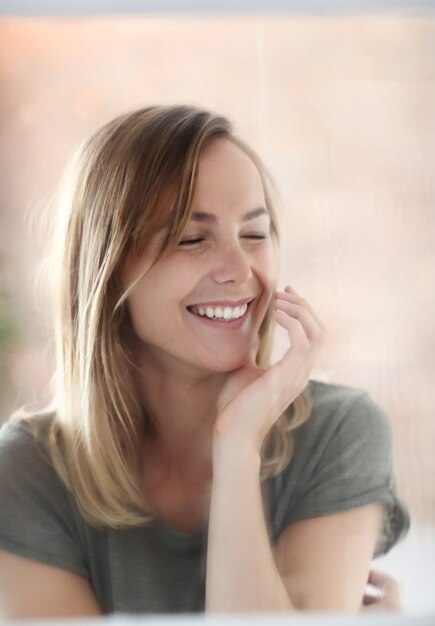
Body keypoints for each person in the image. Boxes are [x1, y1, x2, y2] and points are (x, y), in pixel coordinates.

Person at [0, 105, 409, 618]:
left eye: (255, 235)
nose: (241, 271)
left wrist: (237, 449)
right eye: (192, 239)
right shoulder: (28, 470)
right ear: (108, 269)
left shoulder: (339, 431)